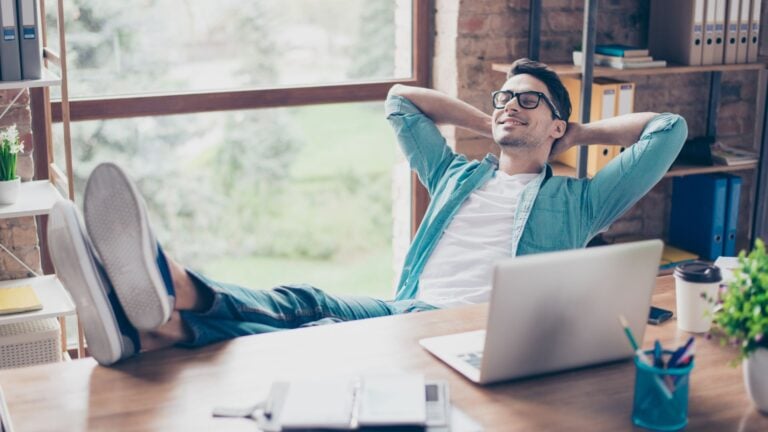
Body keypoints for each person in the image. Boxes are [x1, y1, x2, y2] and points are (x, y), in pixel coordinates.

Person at [48, 58, 687, 365]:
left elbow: (669, 128)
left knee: (311, 319)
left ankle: (165, 282)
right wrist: (489, 122)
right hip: (407, 308)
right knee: (305, 313)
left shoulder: (579, 201)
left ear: (558, 123)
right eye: (503, 96)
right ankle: (156, 329)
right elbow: (399, 101)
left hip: (465, 331)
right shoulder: (457, 174)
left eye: (528, 100)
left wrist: (571, 139)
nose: (509, 105)